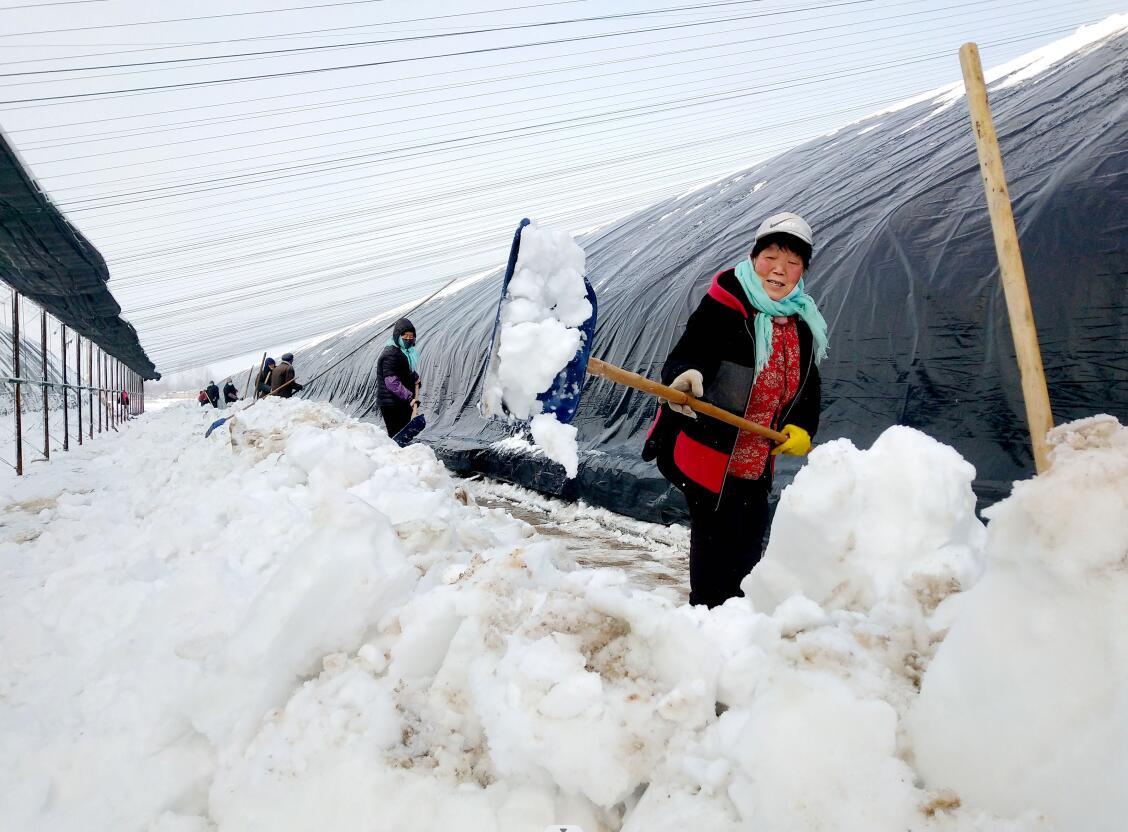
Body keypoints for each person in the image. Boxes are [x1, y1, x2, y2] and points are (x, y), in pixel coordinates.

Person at [643, 212, 827, 608]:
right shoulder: (725, 304)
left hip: (757, 459)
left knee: (747, 548)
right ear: (753, 257)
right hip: (710, 452)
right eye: (771, 257)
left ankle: (739, 622)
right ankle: (707, 619)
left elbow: (807, 385)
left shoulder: (803, 322)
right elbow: (691, 350)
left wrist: (801, 426)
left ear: (802, 271)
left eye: (792, 262)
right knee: (715, 547)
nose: (779, 270)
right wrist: (686, 376)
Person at [375, 318, 420, 438]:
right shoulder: (390, 354)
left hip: (400, 401)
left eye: (411, 337)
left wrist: (415, 377)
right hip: (392, 404)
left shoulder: (403, 352)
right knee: (397, 436)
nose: (408, 340)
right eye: (405, 337)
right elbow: (391, 382)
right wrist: (409, 397)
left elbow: (404, 370)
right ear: (397, 336)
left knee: (403, 435)